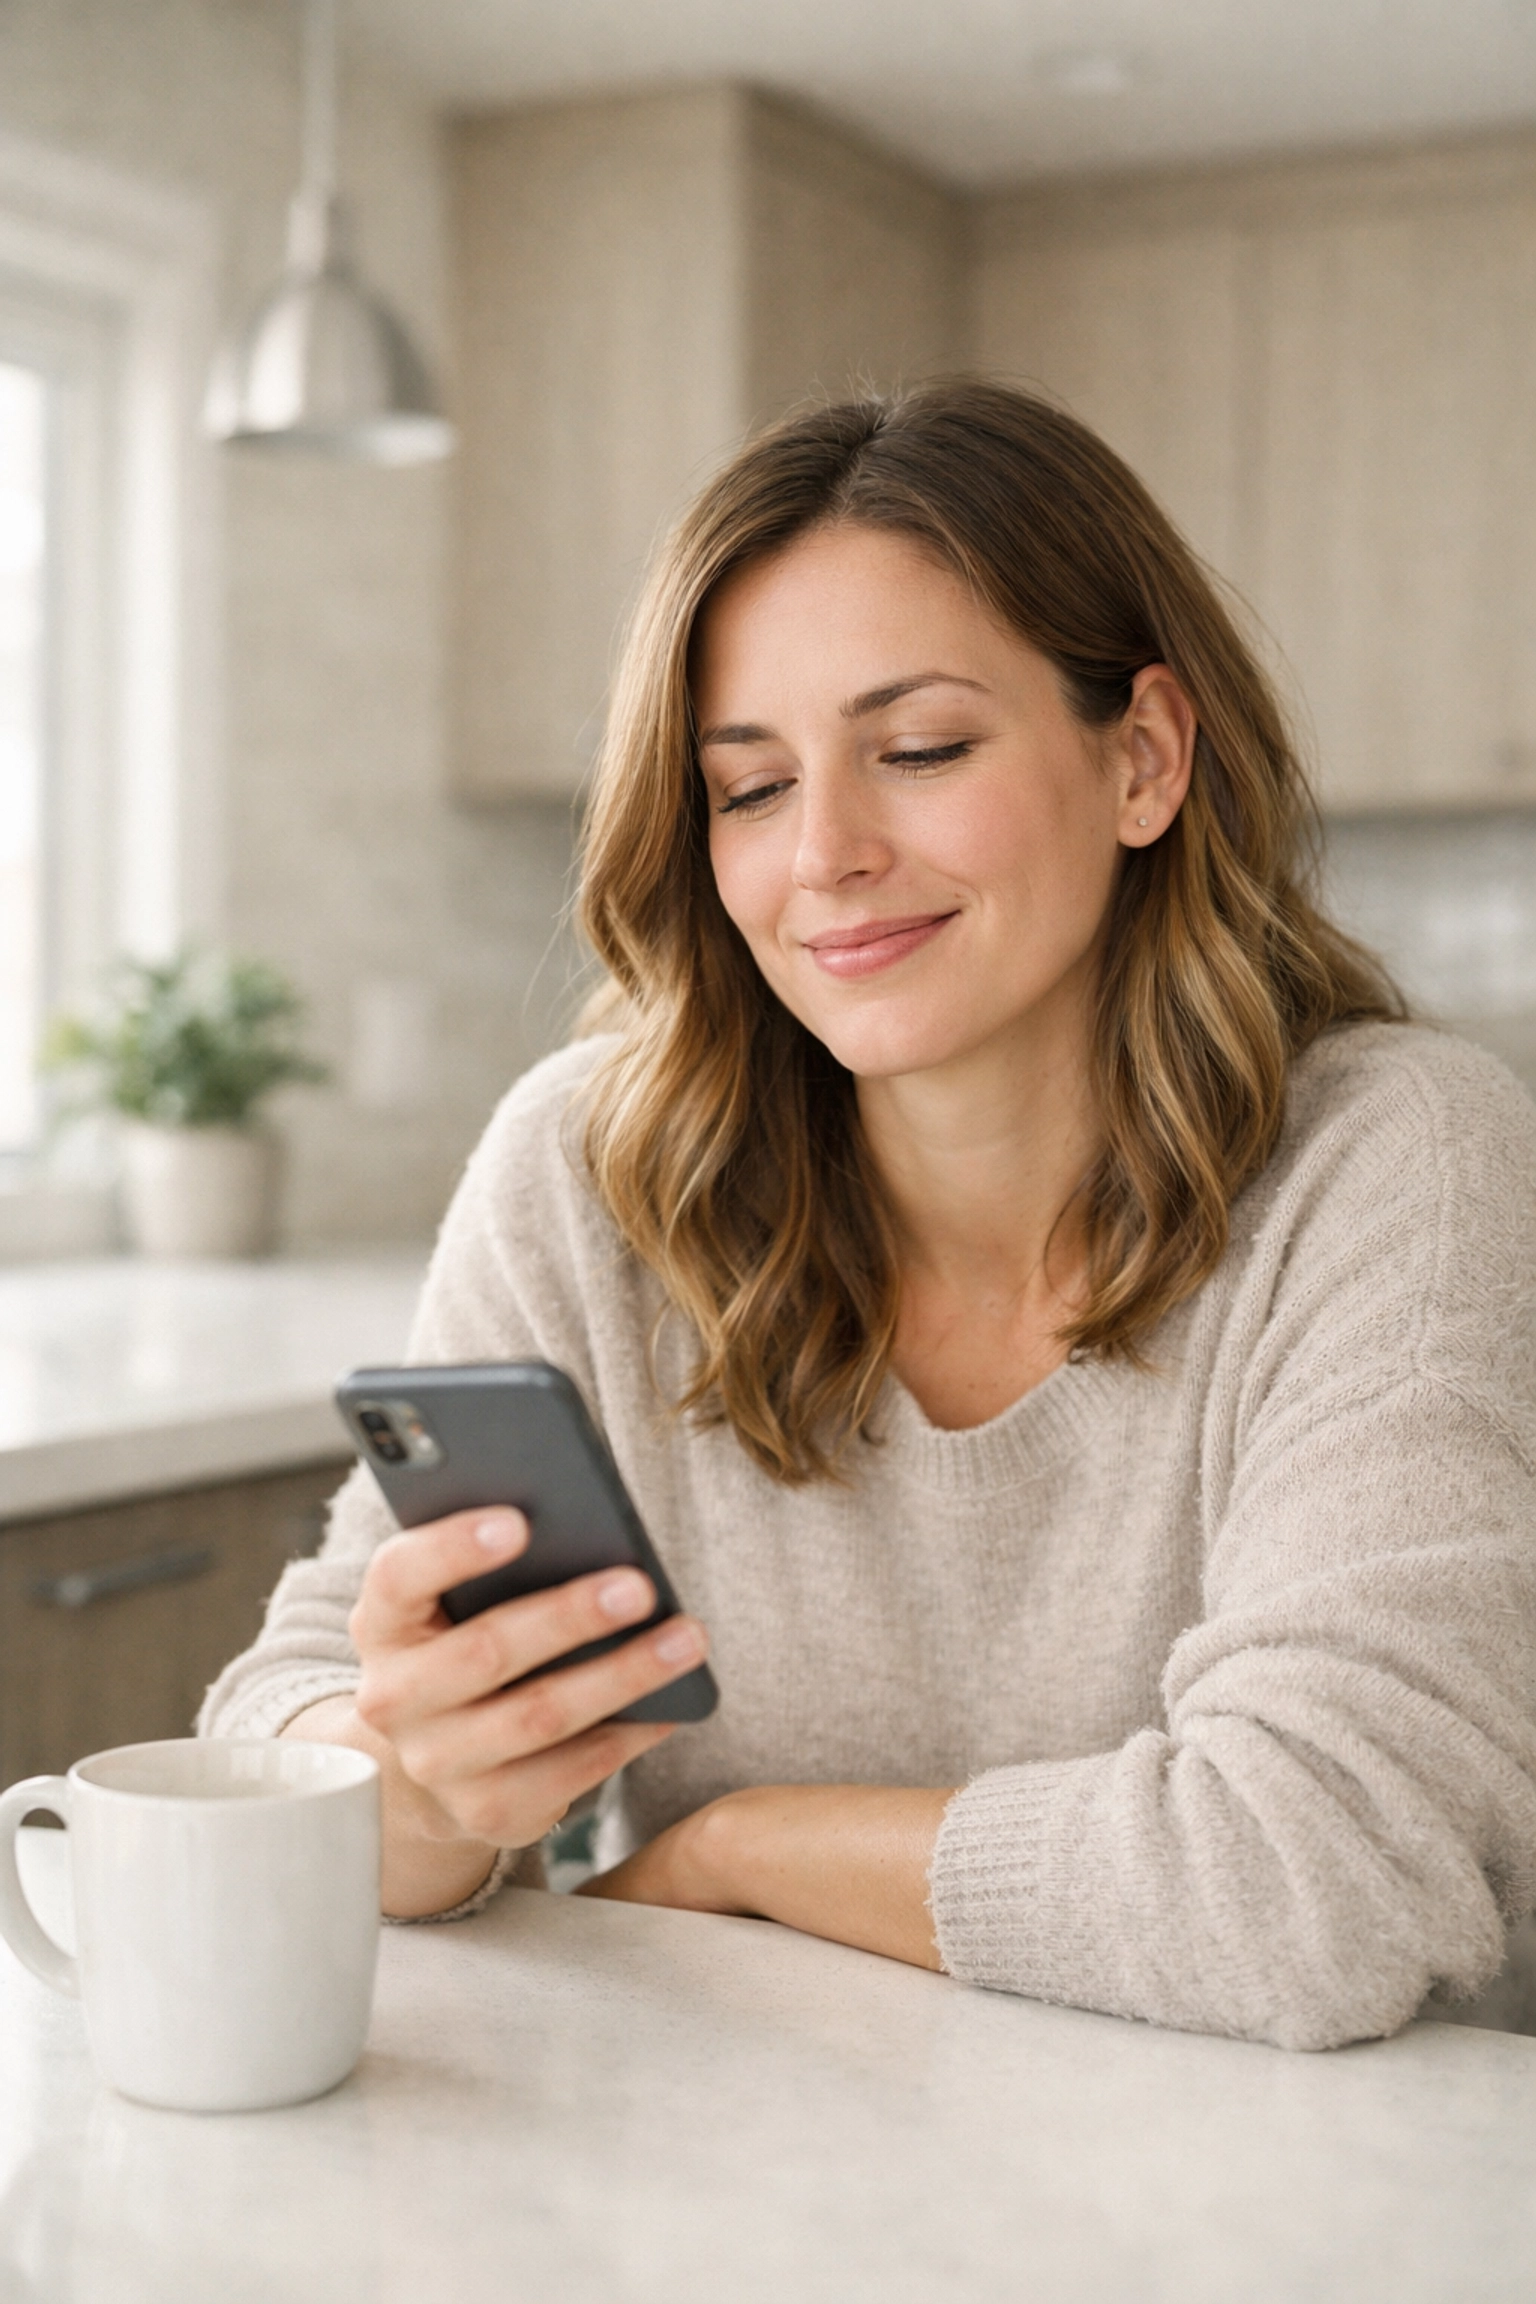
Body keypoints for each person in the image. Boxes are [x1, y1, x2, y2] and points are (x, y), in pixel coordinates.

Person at [201, 379, 1536, 2051]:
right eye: (748, 787)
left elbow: (1320, 1879)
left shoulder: (1398, 1164)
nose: (823, 851)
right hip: (763, 2181)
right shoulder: (590, 1171)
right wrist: (410, 1793)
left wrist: (736, 1849)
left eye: (917, 751)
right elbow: (284, 1708)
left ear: (1143, 758)